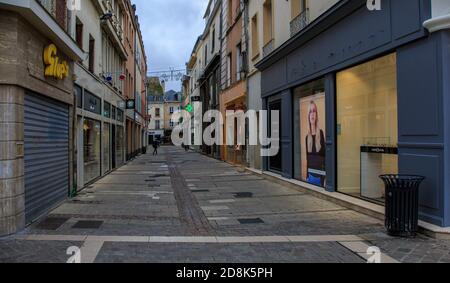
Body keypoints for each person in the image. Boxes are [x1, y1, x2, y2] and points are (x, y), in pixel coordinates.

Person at [305, 100, 326, 187]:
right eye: (310, 112)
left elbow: (325, 157)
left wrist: (325, 177)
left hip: (320, 177)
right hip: (310, 176)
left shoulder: (320, 133)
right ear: (308, 116)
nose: (312, 114)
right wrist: (307, 176)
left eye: (314, 111)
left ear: (316, 115)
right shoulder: (307, 137)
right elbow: (307, 159)